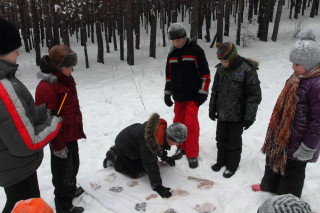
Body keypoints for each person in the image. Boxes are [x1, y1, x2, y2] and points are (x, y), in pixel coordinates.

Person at [0, 17, 62, 213]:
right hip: (17, 169)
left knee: (17, 206)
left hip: (10, 166)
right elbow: (28, 142)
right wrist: (55, 121)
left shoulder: (7, 80)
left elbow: (16, 119)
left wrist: (44, 110)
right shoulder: (4, 87)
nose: (18, 52)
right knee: (26, 207)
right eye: (13, 48)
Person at [252, 30, 320, 198]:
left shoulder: (316, 85)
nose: (293, 67)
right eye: (293, 63)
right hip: (282, 134)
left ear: (310, 64)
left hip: (300, 140)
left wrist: (308, 146)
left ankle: (285, 200)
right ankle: (269, 186)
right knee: (274, 160)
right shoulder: (297, 78)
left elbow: (318, 121)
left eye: (297, 64)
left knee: (293, 171)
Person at [35, 45, 86, 213]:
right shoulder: (47, 86)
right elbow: (47, 119)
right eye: (68, 65)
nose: (71, 69)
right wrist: (57, 146)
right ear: (57, 66)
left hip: (70, 133)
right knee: (62, 172)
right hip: (60, 137)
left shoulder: (65, 79)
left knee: (73, 165)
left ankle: (70, 190)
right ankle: (63, 205)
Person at [103, 113, 187, 198]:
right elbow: (150, 163)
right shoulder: (150, 143)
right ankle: (114, 156)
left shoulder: (160, 133)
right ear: (171, 138)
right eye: (178, 142)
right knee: (136, 172)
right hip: (125, 146)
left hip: (136, 144)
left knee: (145, 165)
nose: (178, 144)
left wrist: (165, 158)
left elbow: (159, 147)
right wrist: (157, 185)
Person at [209, 42, 262, 178]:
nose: (222, 63)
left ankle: (232, 165)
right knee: (220, 139)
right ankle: (221, 161)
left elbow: (254, 95)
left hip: (238, 115)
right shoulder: (220, 69)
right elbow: (215, 90)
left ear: (232, 58)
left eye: (225, 60)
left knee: (233, 141)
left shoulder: (247, 69)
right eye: (220, 60)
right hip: (222, 113)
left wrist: (249, 116)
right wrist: (212, 108)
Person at [164, 22, 211, 169]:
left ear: (185, 37)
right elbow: (169, 76)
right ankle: (181, 147)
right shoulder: (172, 53)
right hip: (178, 96)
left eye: (179, 40)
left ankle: (191, 154)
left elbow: (205, 75)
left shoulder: (196, 50)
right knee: (178, 123)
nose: (177, 43)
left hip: (192, 96)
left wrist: (202, 94)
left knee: (190, 125)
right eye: (174, 41)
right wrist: (167, 93)